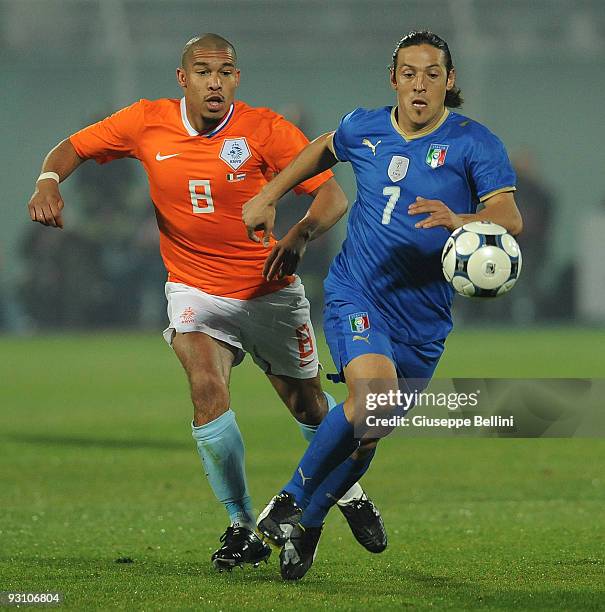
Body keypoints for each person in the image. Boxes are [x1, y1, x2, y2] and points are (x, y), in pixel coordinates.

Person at [26, 33, 387, 571]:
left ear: (236, 78)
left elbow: (332, 197)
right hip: (194, 289)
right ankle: (241, 527)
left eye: (225, 71)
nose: (214, 81)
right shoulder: (146, 121)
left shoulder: (265, 130)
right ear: (183, 79)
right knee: (205, 388)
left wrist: (300, 236)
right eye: (203, 71)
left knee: (310, 408)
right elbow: (73, 146)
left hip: (268, 292)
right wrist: (48, 179)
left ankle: (347, 494)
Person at [243, 30, 523, 580]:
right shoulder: (365, 126)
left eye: (433, 74)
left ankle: (312, 523)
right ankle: (290, 500)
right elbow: (325, 146)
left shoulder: (474, 143)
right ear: (394, 79)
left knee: (373, 427)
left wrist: (459, 220)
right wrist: (277, 203)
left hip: (425, 317)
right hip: (360, 291)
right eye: (410, 74)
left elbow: (509, 219)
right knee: (374, 397)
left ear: (451, 81)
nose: (420, 85)